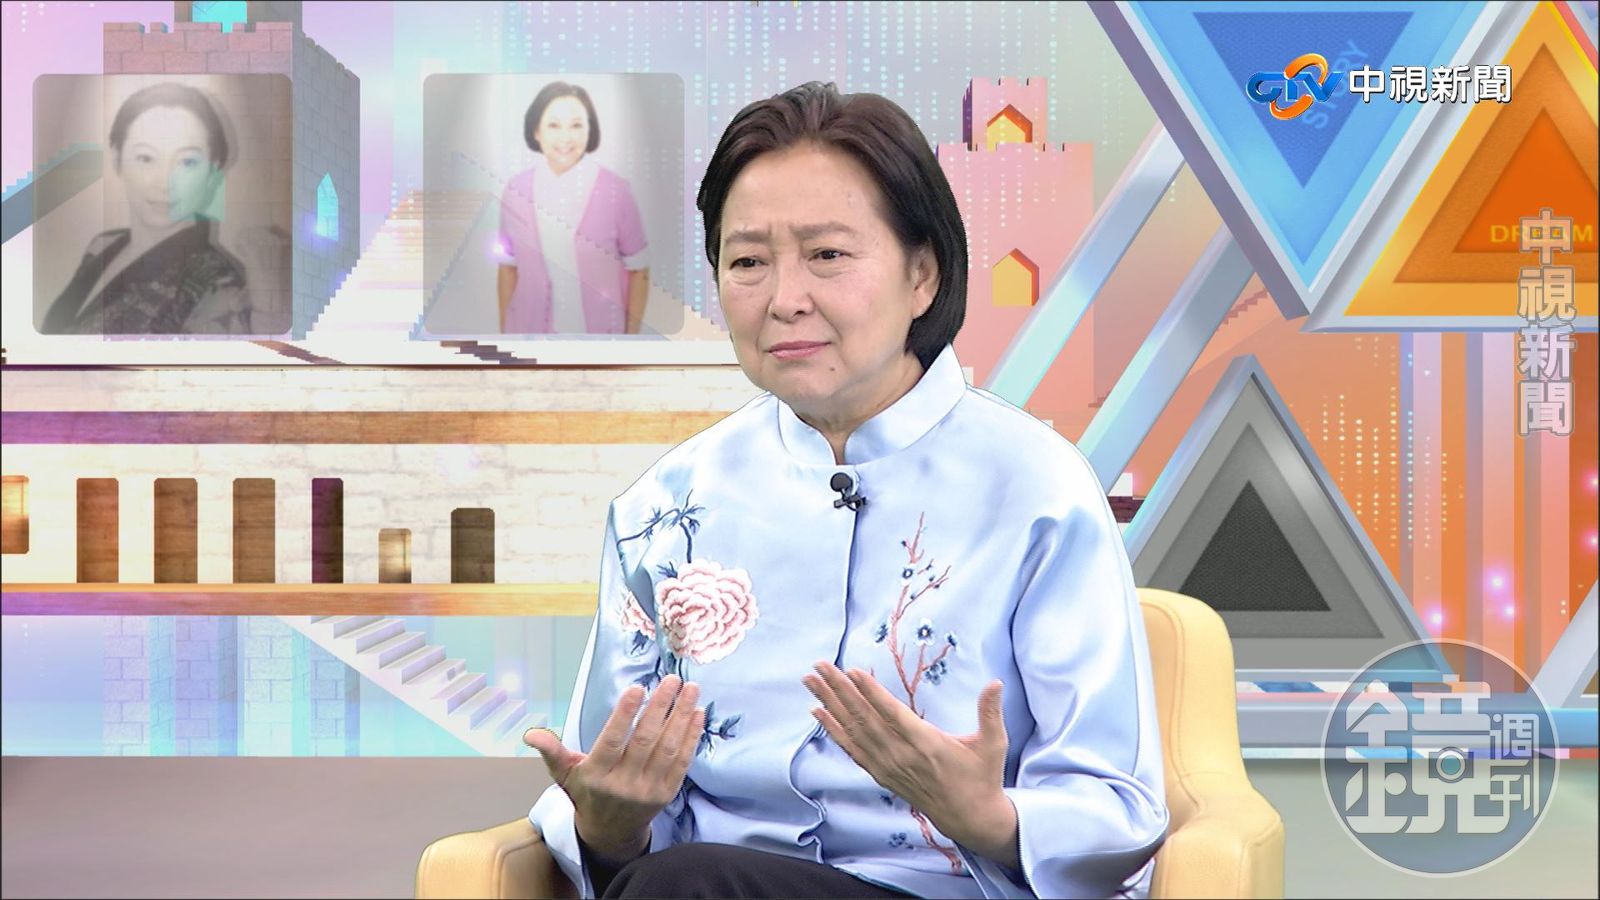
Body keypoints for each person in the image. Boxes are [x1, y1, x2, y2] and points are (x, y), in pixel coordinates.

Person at [525, 82, 1169, 899]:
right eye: (748, 262)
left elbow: (1118, 809)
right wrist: (610, 828)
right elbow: (604, 786)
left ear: (923, 274)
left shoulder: (1039, 491)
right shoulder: (665, 507)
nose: (785, 299)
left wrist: (989, 817)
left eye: (827, 255)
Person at [41, 82, 253, 335]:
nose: (165, 182)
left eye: (187, 162)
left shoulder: (221, 290)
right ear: (117, 160)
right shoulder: (101, 245)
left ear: (212, 170)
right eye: (146, 158)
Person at [495, 81, 651, 334]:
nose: (566, 137)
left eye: (576, 125)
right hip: (529, 338)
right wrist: (505, 335)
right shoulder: (516, 191)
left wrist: (630, 339)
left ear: (590, 130)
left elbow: (639, 269)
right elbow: (507, 267)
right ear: (536, 131)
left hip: (599, 340)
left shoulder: (616, 191)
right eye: (554, 125)